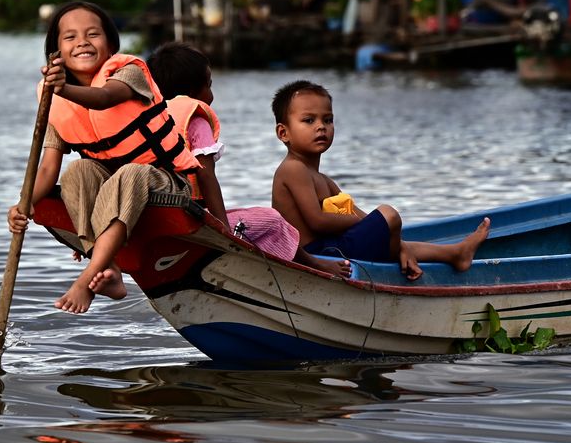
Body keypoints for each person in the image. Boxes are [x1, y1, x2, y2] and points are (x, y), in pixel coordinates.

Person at [7, 1, 200, 314]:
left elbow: (104, 99)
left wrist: (62, 90)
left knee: (130, 173)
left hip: (164, 185)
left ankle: (88, 276)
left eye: (92, 34)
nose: (82, 41)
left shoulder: (128, 73)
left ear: (111, 44)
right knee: (77, 171)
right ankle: (107, 266)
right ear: (56, 53)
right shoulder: (56, 102)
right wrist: (23, 205)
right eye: (69, 38)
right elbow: (47, 169)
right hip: (113, 194)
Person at [270, 80, 490, 281]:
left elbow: (358, 215)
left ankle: (455, 254)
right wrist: (377, 225)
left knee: (389, 225)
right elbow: (317, 220)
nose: (321, 127)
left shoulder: (324, 180)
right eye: (309, 120)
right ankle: (452, 254)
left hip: (330, 247)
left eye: (327, 120)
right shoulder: (293, 168)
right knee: (389, 215)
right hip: (315, 255)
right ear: (283, 132)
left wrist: (397, 243)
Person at [147, 42, 304, 267]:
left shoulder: (150, 119)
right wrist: (224, 231)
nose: (211, 94)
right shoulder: (195, 119)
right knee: (273, 220)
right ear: (193, 91)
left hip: (163, 218)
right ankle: (313, 265)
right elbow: (206, 176)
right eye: (209, 86)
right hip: (191, 219)